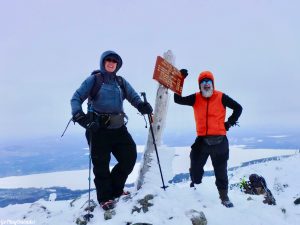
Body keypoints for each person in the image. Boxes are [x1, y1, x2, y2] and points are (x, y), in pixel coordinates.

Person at [70, 50, 153, 210]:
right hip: (97, 129)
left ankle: (115, 189)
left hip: (118, 127)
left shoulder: (120, 82)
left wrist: (141, 106)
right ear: (103, 62)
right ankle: (105, 197)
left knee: (129, 157)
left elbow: (133, 96)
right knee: (101, 164)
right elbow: (76, 98)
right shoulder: (94, 80)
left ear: (117, 65)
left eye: (114, 61)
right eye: (108, 60)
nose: (111, 62)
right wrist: (81, 117)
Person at [174, 69, 242, 207]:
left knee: (221, 170)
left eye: (208, 81)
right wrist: (180, 79)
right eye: (203, 82)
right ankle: (195, 190)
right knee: (195, 167)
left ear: (213, 84)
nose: (206, 84)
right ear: (199, 85)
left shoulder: (221, 96)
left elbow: (238, 108)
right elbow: (177, 99)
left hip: (220, 141)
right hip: (202, 140)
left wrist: (229, 123)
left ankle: (224, 197)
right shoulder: (196, 98)